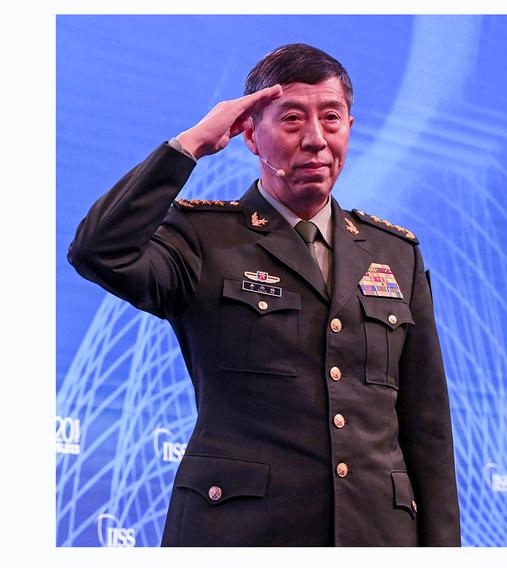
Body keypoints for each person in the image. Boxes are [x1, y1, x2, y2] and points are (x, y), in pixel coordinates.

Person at [67, 44, 460, 547]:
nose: (316, 139)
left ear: (350, 128)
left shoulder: (395, 254)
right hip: (240, 533)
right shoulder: (202, 237)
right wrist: (187, 147)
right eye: (293, 119)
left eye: (332, 118)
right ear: (251, 134)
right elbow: (98, 252)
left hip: (377, 536)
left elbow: (427, 429)